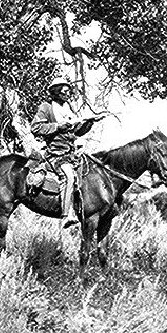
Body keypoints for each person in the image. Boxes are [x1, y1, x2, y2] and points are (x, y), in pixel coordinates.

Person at [30, 77, 105, 226]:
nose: (67, 93)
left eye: (68, 90)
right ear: (55, 91)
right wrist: (57, 126)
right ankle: (66, 215)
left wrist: (90, 122)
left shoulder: (68, 107)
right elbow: (35, 128)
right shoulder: (46, 107)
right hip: (55, 154)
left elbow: (75, 132)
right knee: (69, 176)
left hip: (71, 153)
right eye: (64, 90)